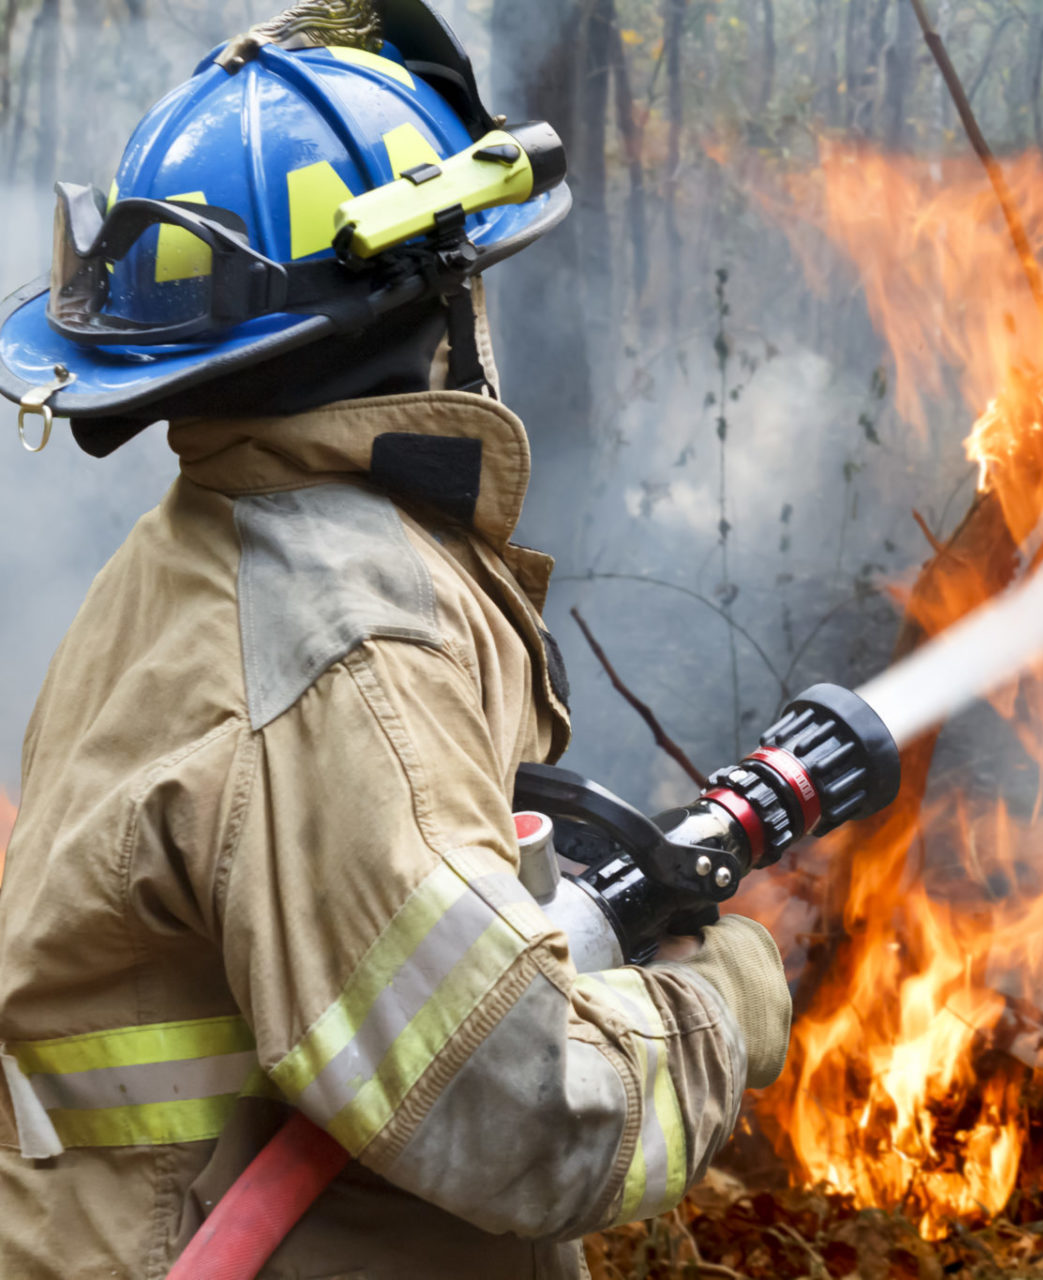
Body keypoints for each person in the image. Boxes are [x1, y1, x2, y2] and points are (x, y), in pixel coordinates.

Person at [0, 2, 792, 1276]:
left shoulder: (203, 547)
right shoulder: (343, 641)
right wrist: (731, 998)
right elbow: (528, 1114)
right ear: (429, 307)